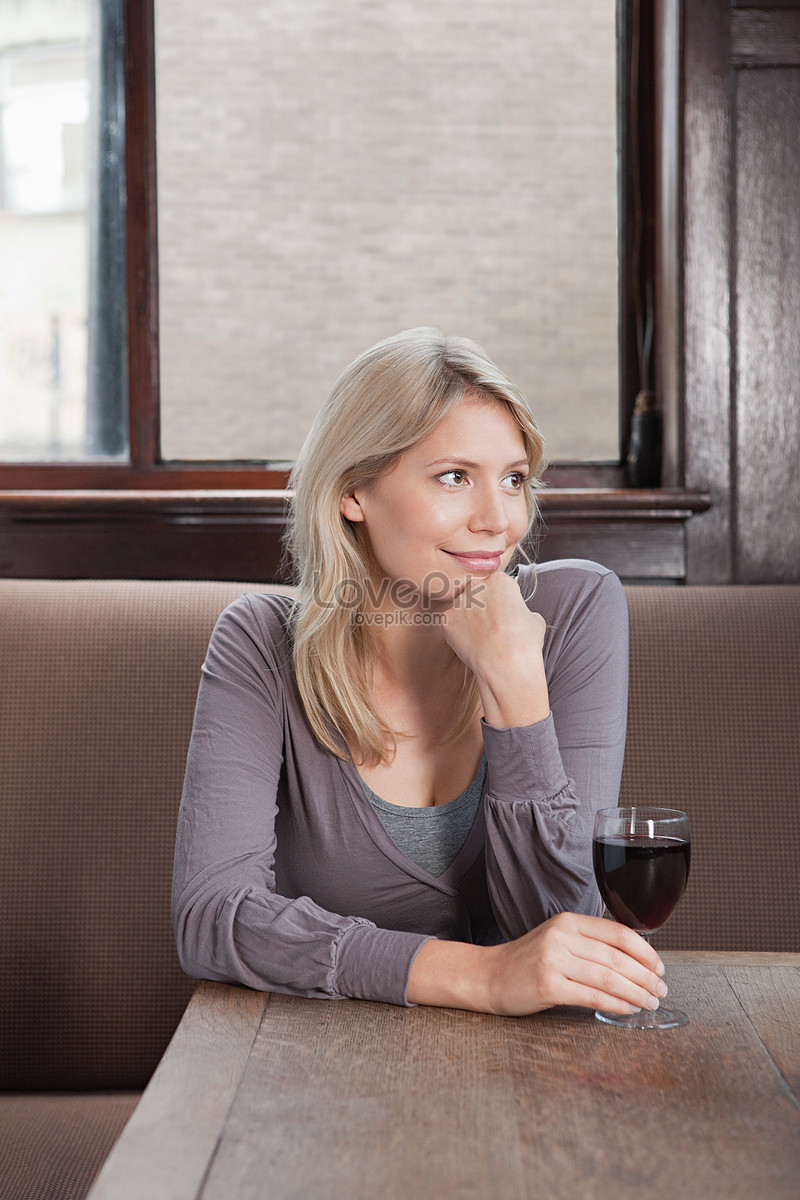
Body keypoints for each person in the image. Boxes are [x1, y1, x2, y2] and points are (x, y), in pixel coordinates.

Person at [172, 327, 667, 1017]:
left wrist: (516, 688)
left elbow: (560, 926)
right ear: (353, 492)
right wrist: (484, 977)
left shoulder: (577, 609)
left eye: (515, 480)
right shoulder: (259, 643)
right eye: (455, 477)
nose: (499, 520)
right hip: (313, 1067)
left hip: (529, 1074)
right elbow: (213, 919)